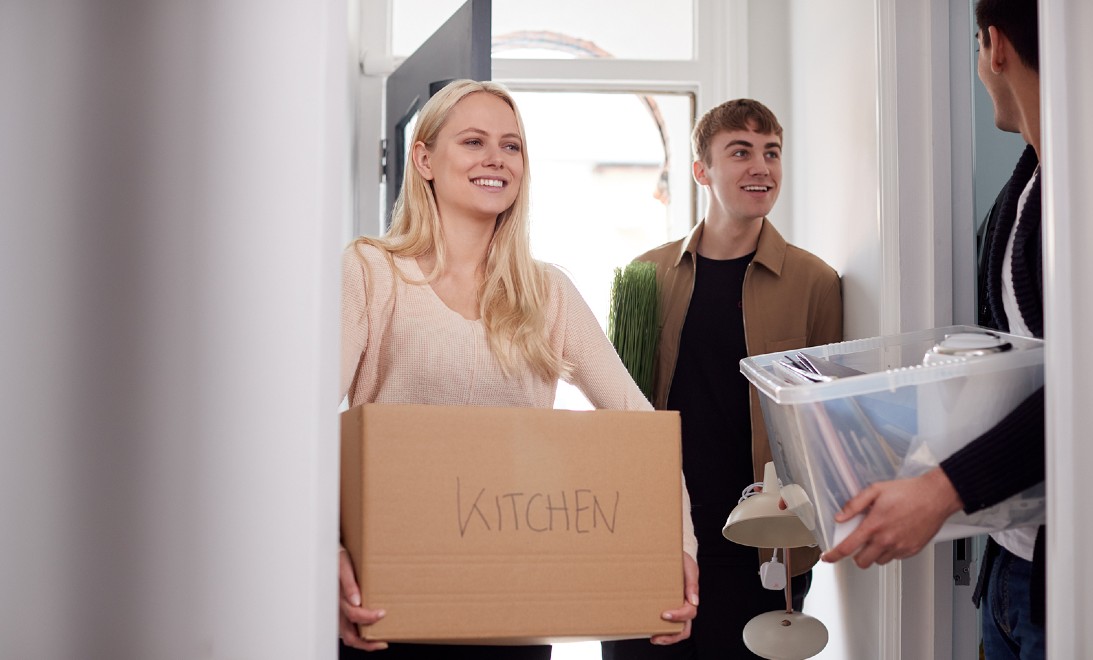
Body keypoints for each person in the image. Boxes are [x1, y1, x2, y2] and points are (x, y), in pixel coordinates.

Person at [337, 79, 700, 658]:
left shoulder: (546, 292)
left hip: (513, 607)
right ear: (424, 158)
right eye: (473, 141)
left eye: (512, 146)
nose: (495, 160)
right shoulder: (371, 272)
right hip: (389, 598)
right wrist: (324, 552)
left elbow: (638, 424)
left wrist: (677, 547)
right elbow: (305, 428)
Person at [821, 1, 1046, 657]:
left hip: (1066, 574)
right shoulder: (1025, 188)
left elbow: (1085, 390)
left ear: (994, 45)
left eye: (976, 47)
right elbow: (1025, 367)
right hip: (1009, 559)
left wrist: (939, 489)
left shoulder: (1078, 195)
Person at [602, 99, 842, 660]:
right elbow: (615, 414)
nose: (761, 167)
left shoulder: (815, 283)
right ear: (701, 171)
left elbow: (826, 419)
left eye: (771, 153)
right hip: (655, 536)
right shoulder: (644, 276)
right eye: (740, 152)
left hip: (761, 546)